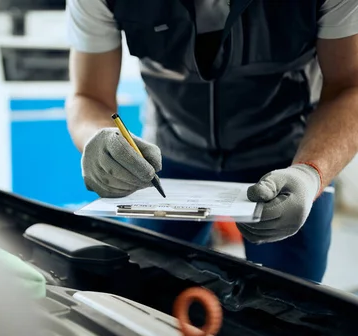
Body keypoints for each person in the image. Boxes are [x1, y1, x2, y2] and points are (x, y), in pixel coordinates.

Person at [65, 0, 358, 283]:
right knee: (148, 293)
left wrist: (310, 173)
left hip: (288, 164)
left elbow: (350, 87)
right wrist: (95, 137)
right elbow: (89, 95)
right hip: (166, 161)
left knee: (291, 311)